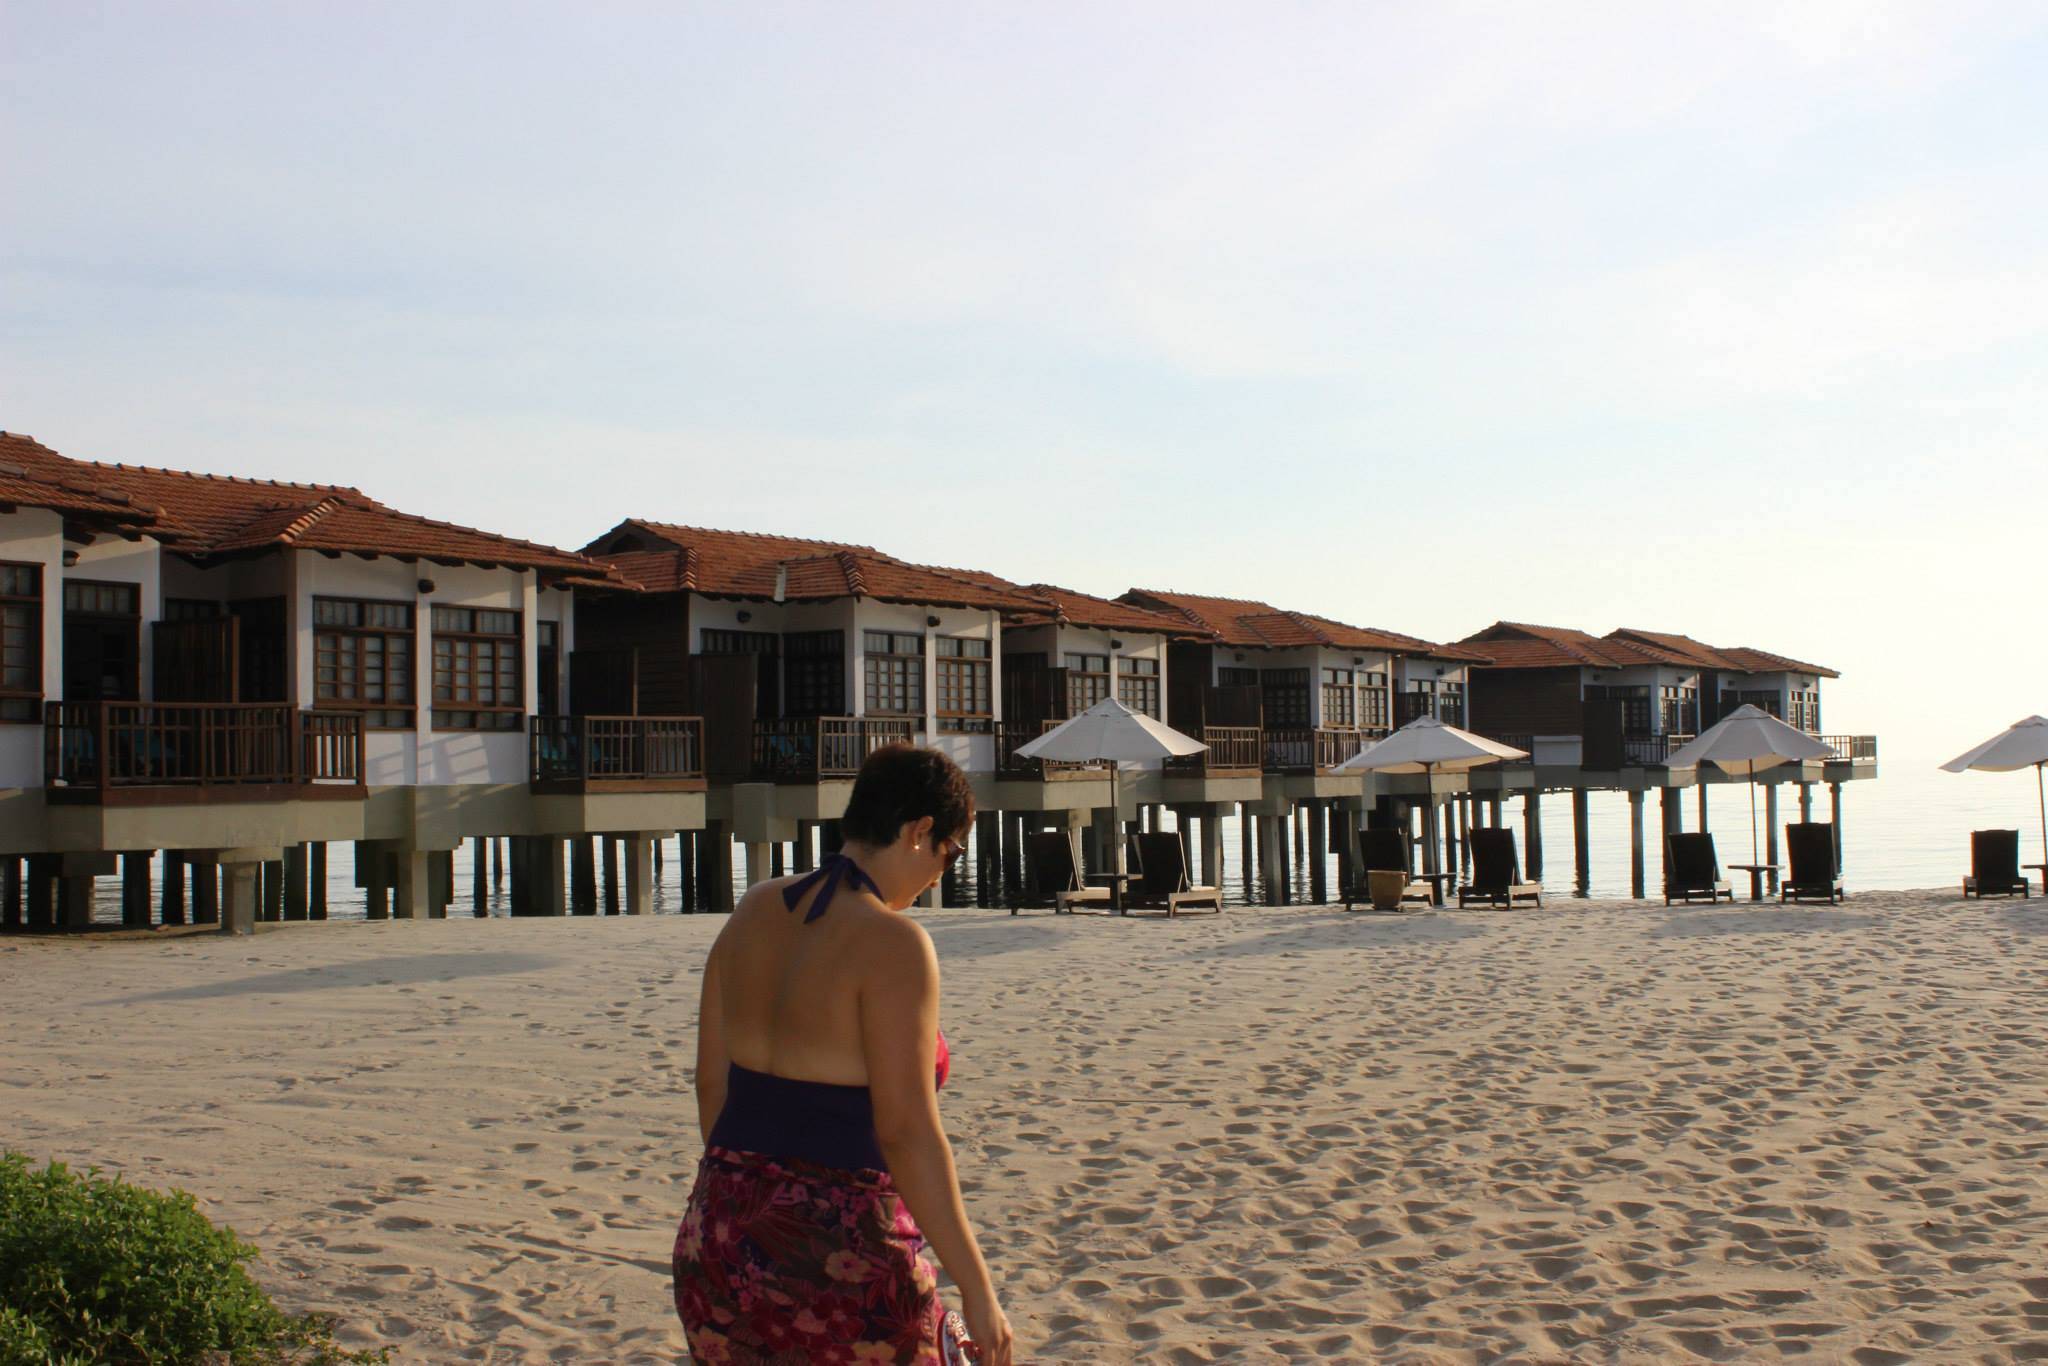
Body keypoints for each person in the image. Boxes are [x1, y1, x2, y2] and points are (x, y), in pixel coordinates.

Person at [673, 744, 1015, 1365]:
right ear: (919, 831)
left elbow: (711, 1084)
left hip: (717, 1235)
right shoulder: (896, 944)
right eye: (951, 851)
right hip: (840, 1247)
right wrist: (979, 1287)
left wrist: (749, 1201)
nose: (943, 873)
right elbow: (907, 1133)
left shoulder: (755, 907)